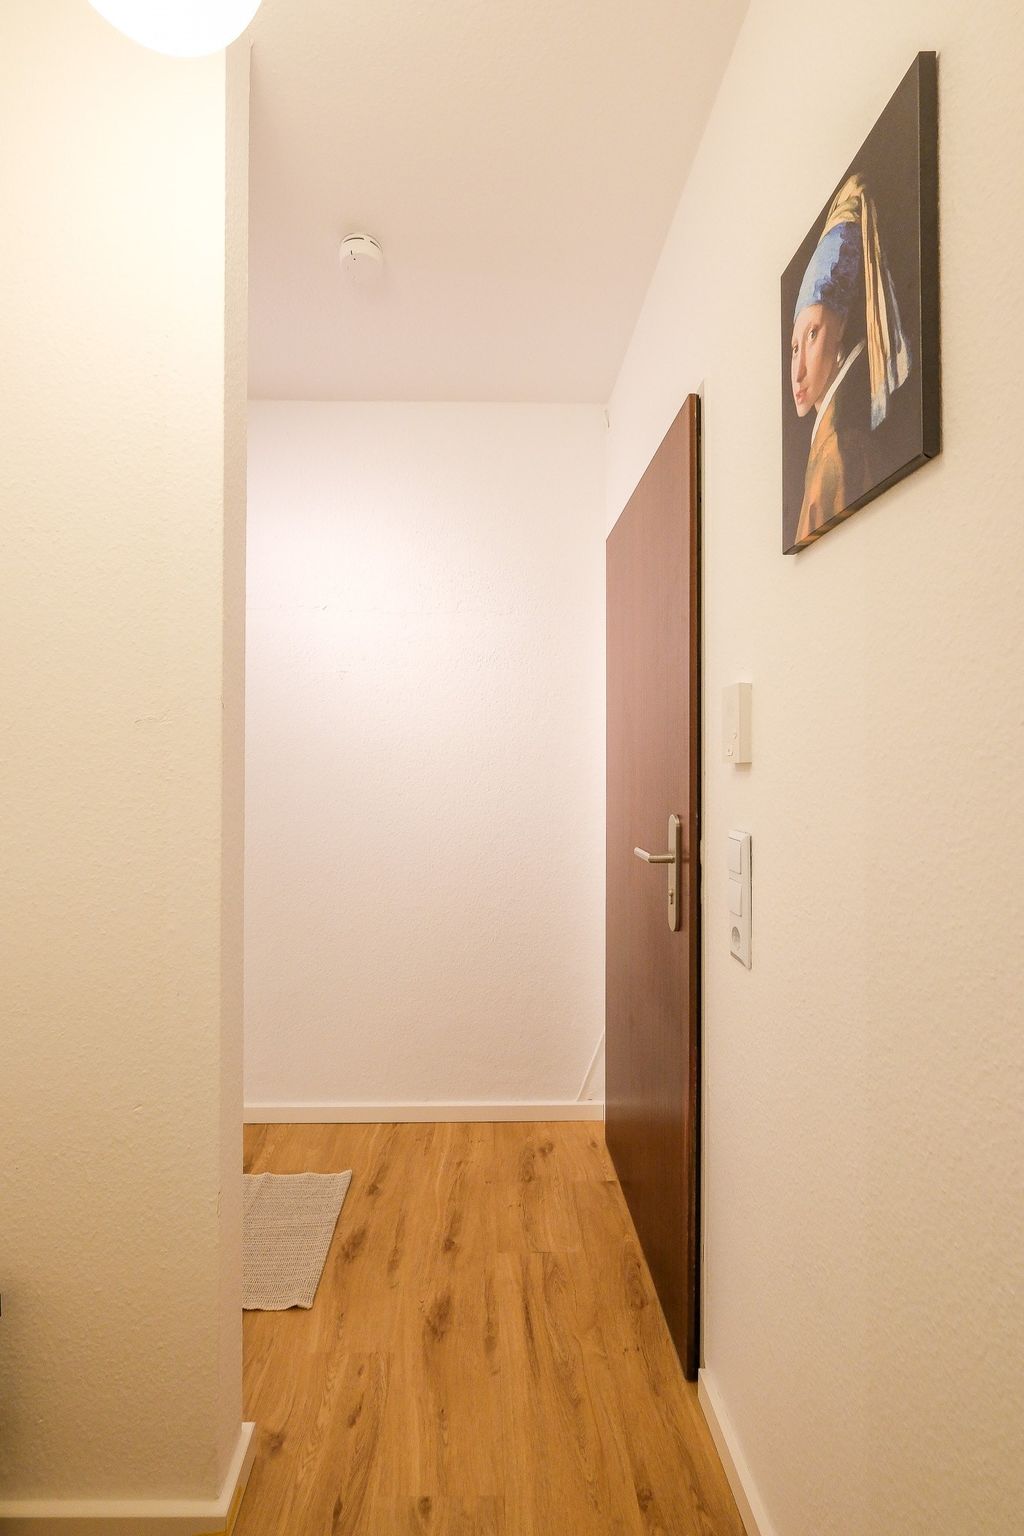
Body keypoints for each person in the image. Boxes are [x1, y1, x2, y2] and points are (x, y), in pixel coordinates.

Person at [790, 174, 910, 545]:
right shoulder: (827, 447)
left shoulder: (843, 450)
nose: (798, 371)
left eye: (813, 334)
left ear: (841, 327)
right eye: (794, 348)